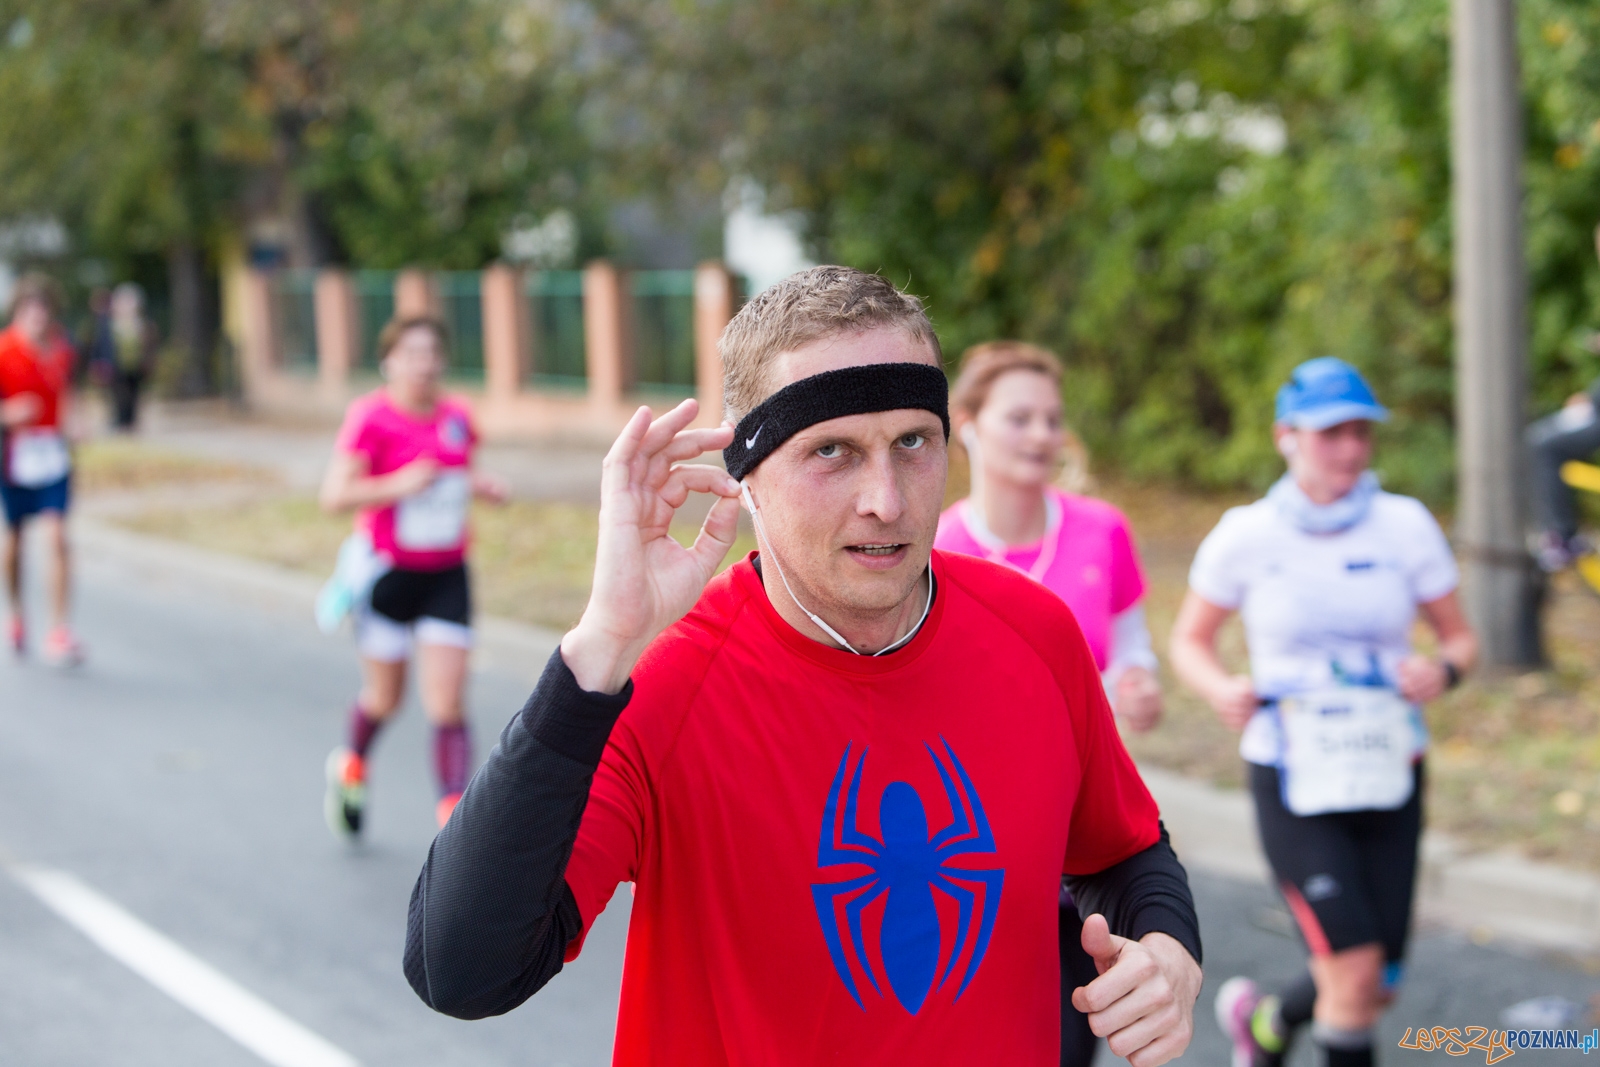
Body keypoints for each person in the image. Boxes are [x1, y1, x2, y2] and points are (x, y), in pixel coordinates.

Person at [404, 267, 1202, 1066]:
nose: (886, 500)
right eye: (833, 451)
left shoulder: (1035, 633)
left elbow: (1125, 849)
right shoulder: (660, 684)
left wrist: (1169, 949)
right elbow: (463, 971)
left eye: (913, 442)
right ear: (746, 478)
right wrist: (602, 643)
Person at [1168, 357, 1477, 1067]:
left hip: (1387, 764)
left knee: (1378, 979)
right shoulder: (1247, 533)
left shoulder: (1404, 525)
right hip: (1293, 770)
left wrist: (1444, 667)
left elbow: (1461, 636)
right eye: (1331, 433)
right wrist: (1219, 685)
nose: (1349, 449)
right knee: (1356, 966)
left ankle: (1269, 1018)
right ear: (1287, 436)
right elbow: (1190, 638)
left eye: (1361, 433)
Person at [934, 340, 1163, 1066]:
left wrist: (1137, 683)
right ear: (965, 423)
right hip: (974, 841)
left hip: (1078, 826)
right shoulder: (934, 548)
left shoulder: (1101, 529)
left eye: (1052, 419)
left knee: (1067, 1041)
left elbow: (1131, 646)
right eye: (1020, 417)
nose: (1041, 434)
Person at [319, 315, 508, 837]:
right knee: (385, 698)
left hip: (446, 574)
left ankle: (453, 821)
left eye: (431, 353)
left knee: (447, 702)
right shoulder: (370, 418)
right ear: (389, 362)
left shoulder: (457, 416)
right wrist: (397, 484)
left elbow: (457, 470)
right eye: (411, 354)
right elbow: (333, 496)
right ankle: (351, 764)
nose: (423, 364)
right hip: (387, 576)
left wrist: (480, 485)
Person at [0, 273, 84, 665]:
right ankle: (17, 613)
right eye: (30, 308)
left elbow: (70, 391)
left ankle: (59, 629)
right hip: (15, 456)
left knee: (58, 536)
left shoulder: (60, 350)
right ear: (19, 311)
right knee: (16, 540)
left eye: (44, 309)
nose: (38, 316)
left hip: (52, 453)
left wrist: (77, 421)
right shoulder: (3, 351)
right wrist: (8, 414)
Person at [89, 282, 159, 432]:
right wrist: (98, 363)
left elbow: (149, 345)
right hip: (115, 366)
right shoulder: (109, 323)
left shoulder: (142, 324)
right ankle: (120, 422)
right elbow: (100, 344)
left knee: (133, 395)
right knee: (118, 396)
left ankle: (130, 422)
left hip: (135, 366)